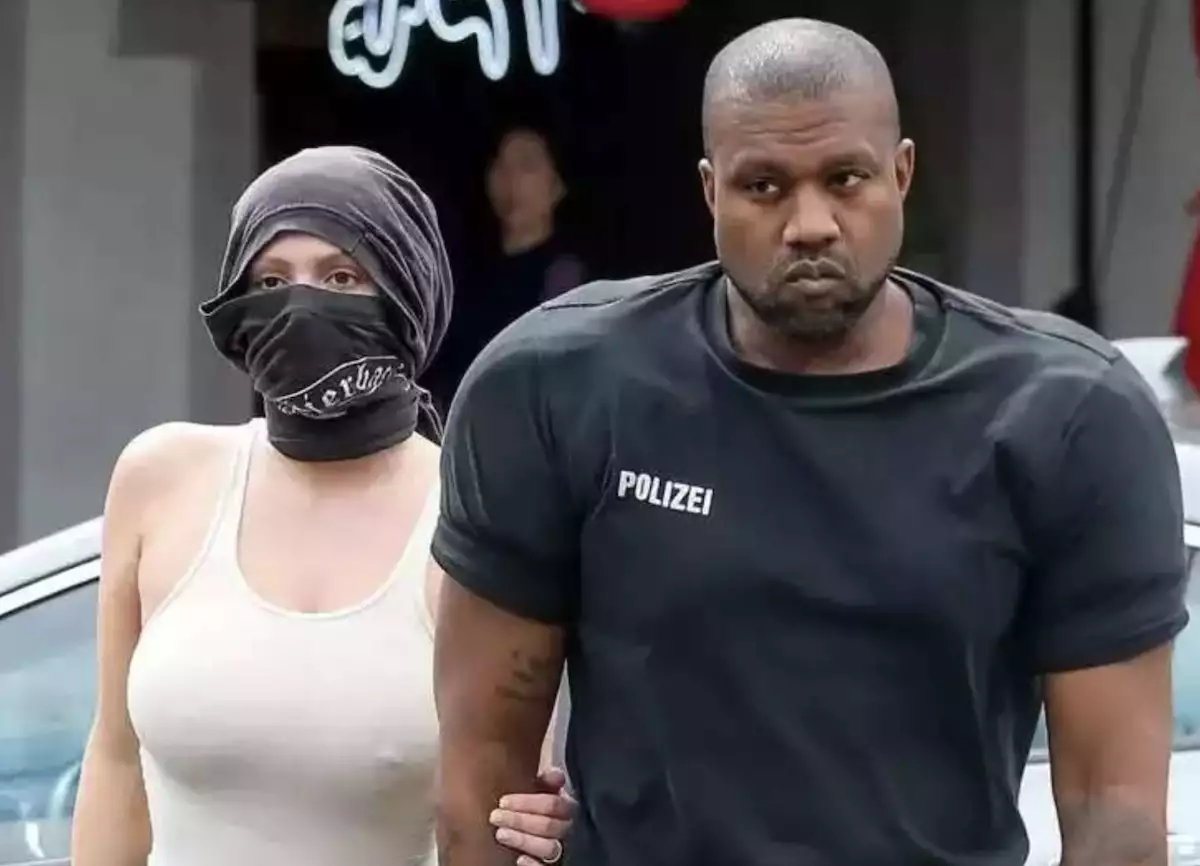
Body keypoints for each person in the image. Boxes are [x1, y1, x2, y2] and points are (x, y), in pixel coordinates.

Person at [431, 17, 1188, 866]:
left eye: (845, 178)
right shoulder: (555, 386)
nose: (811, 223)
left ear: (901, 174)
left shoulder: (1070, 415)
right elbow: (478, 781)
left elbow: (1115, 814)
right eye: (764, 186)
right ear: (710, 191)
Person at [70, 146, 574, 866]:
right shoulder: (162, 480)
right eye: (271, 280)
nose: (300, 306)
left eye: (341, 277)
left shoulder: (476, 514)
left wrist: (544, 839)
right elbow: (116, 760)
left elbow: (508, 808)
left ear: (404, 293)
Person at [429, 127, 587, 411]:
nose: (510, 178)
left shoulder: (567, 276)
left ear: (557, 185)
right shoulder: (464, 273)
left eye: (526, 165)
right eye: (501, 165)